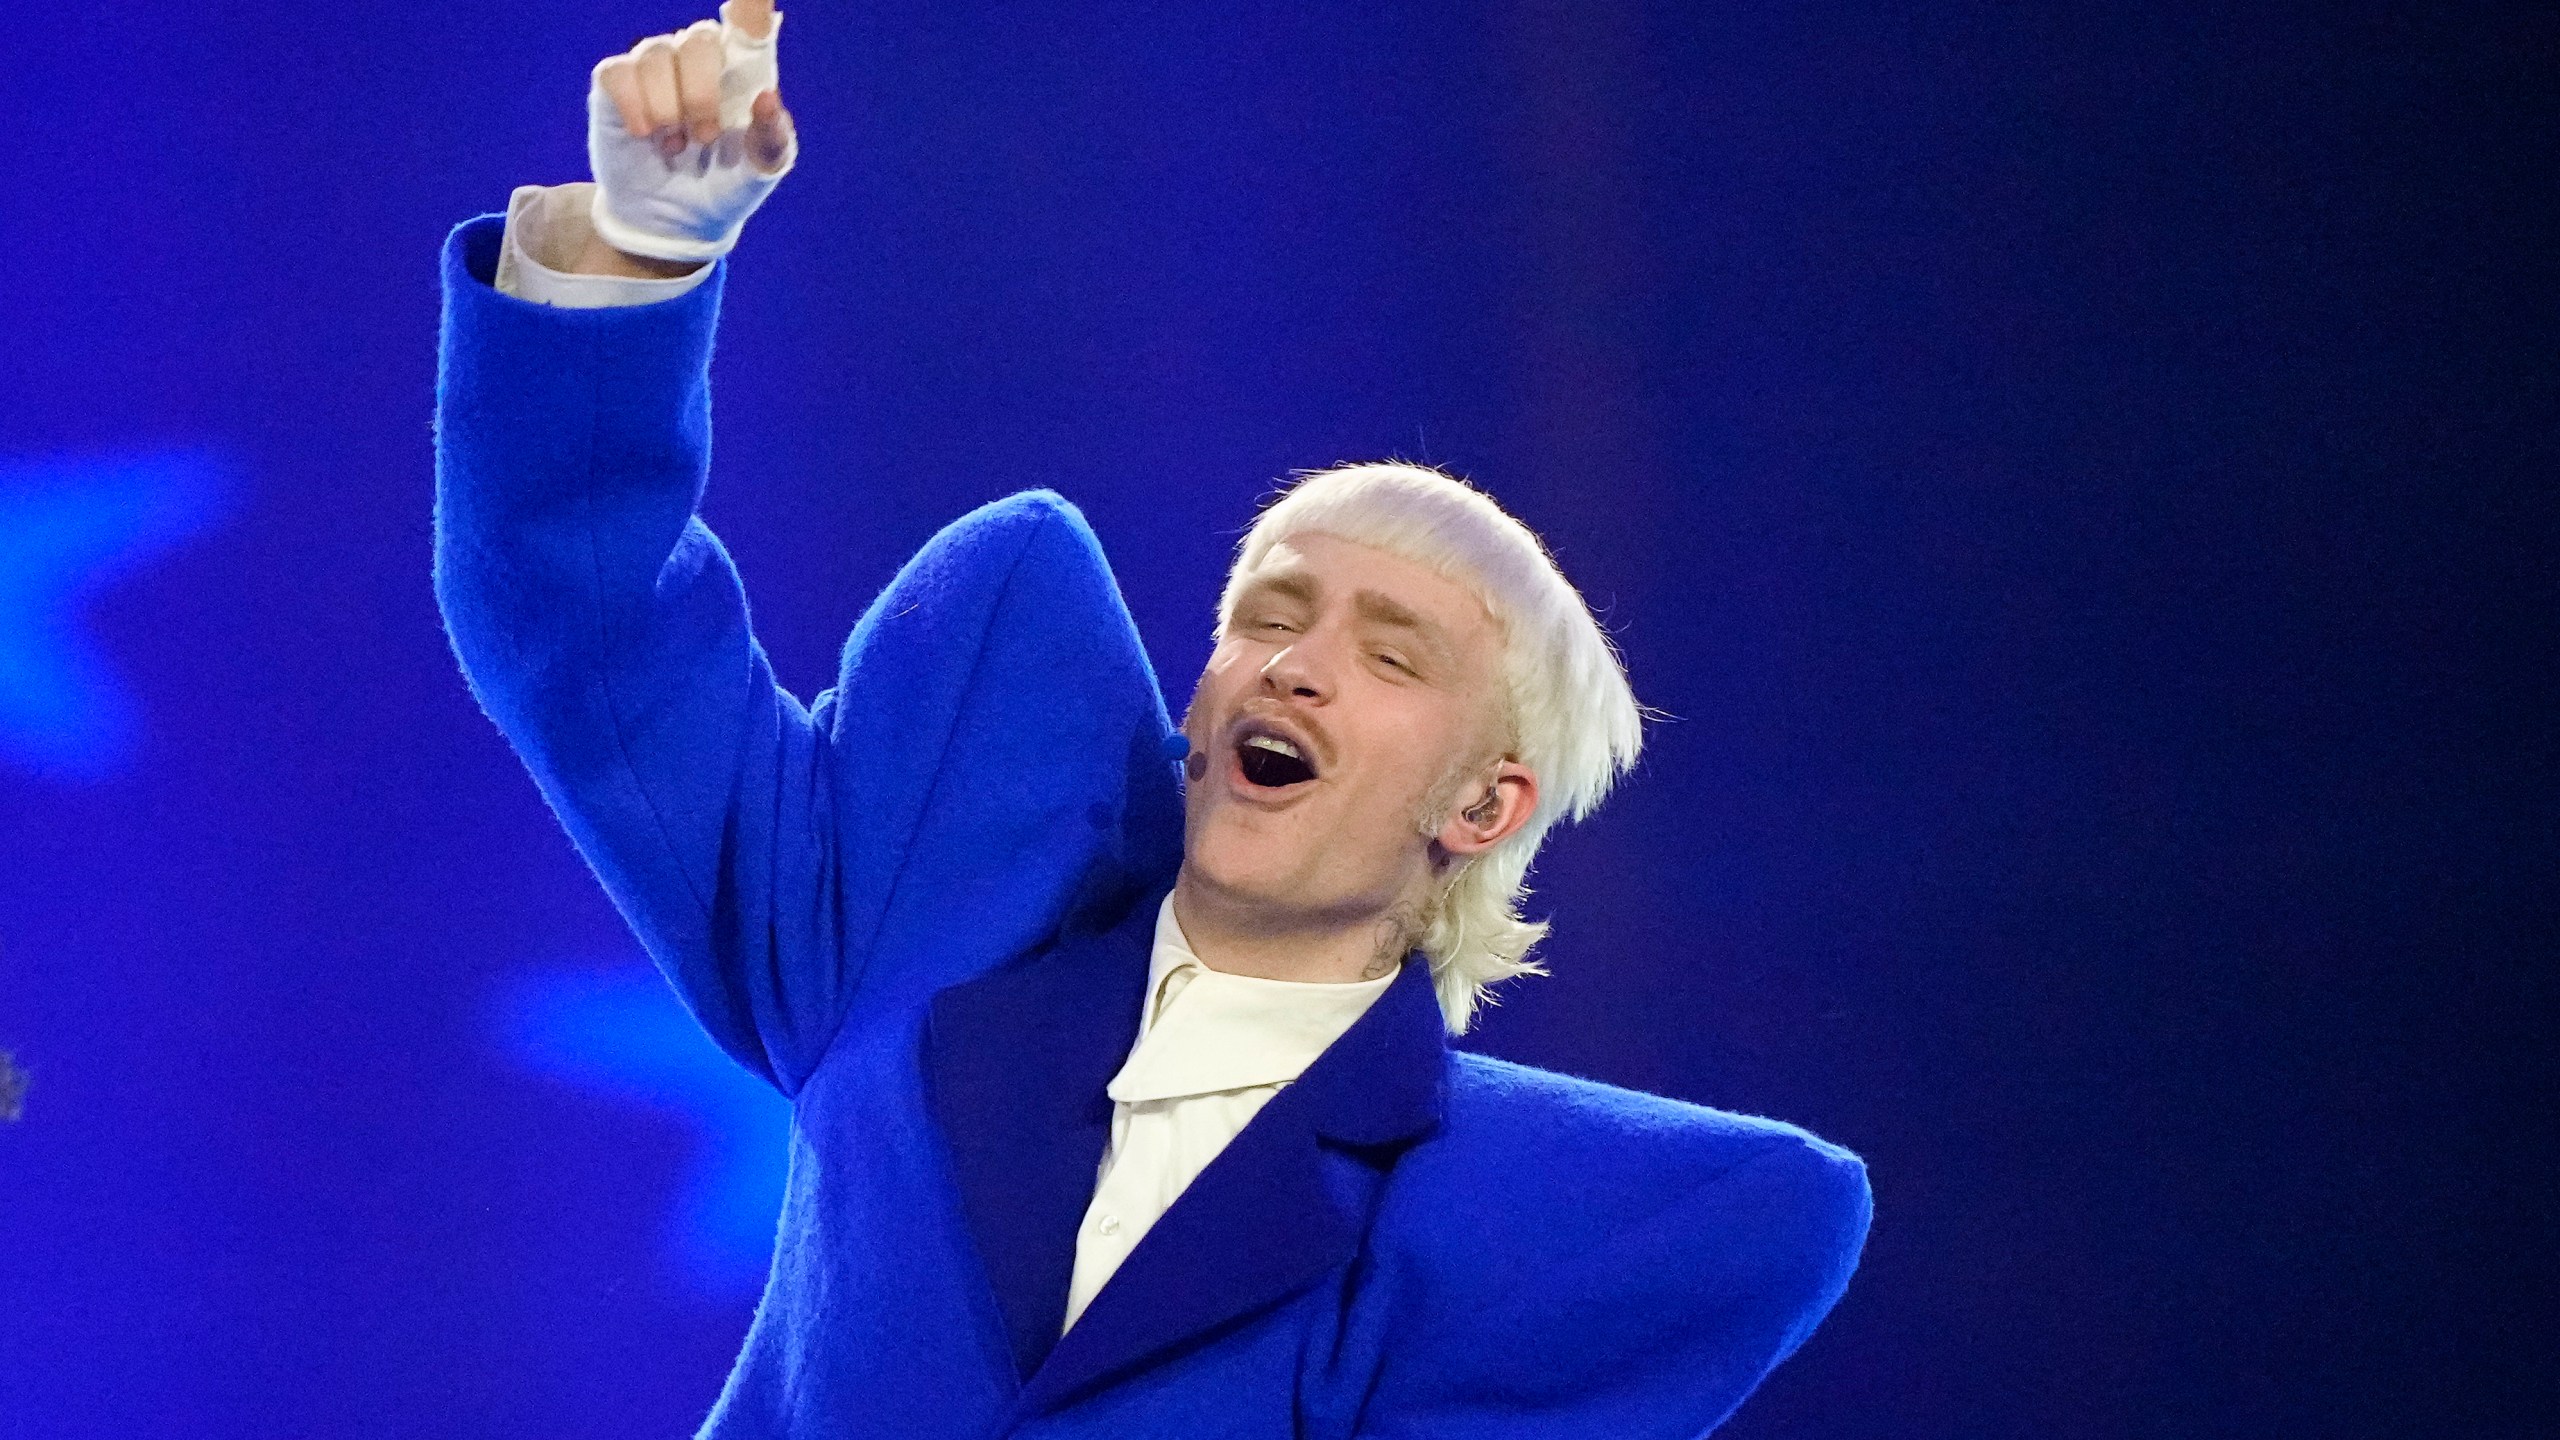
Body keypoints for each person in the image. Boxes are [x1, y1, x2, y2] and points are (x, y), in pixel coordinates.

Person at [434, 4, 1870, 1434]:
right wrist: (644, 255)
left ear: (1484, 805)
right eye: (1269, 613)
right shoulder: (921, 932)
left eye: (1391, 655)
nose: (1294, 666)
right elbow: (584, 625)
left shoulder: (1505, 1223)